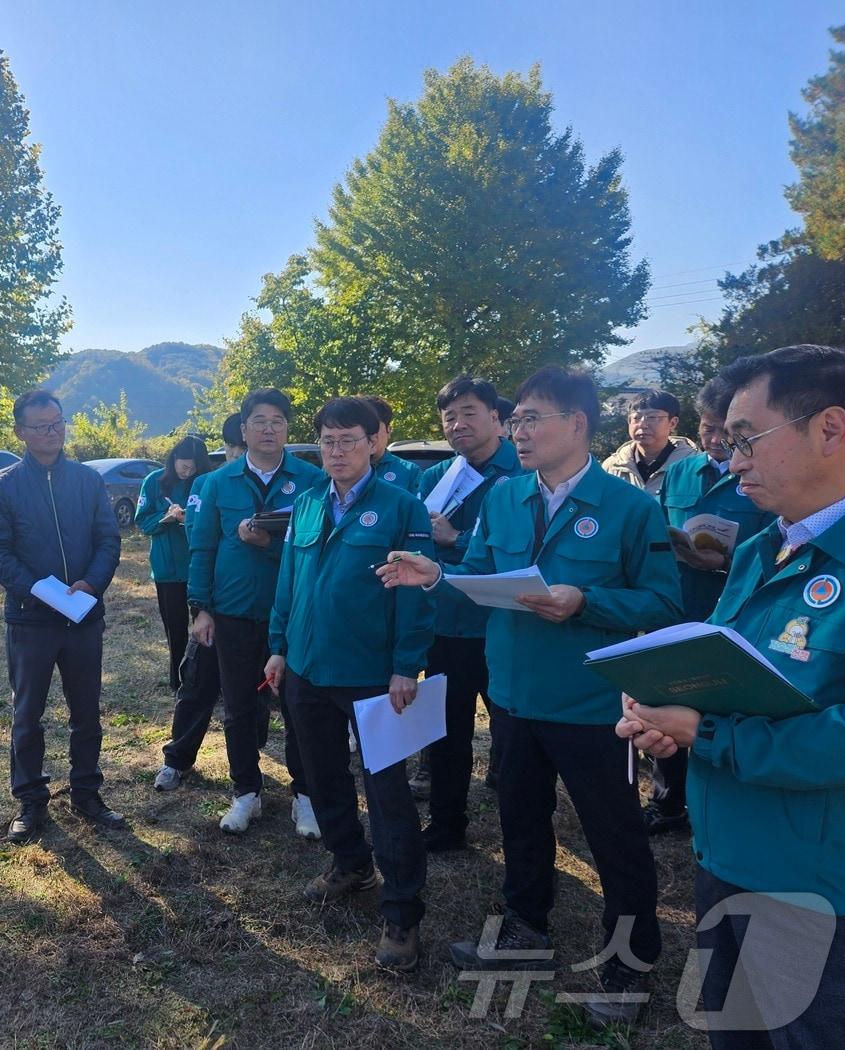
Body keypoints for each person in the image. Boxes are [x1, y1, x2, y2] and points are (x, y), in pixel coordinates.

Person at [379, 366, 682, 1028]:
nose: (517, 431)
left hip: (592, 703)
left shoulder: (628, 507)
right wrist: (436, 573)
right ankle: (525, 929)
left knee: (615, 835)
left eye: (530, 419)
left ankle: (629, 962)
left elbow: (663, 601)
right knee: (519, 817)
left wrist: (587, 601)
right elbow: (482, 574)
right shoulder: (505, 498)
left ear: (577, 424)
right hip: (512, 696)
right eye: (515, 420)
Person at [619, 344, 845, 1048]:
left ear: (831, 429)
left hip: (823, 892)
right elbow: (723, 677)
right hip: (727, 860)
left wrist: (710, 735)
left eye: (748, 438)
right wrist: (668, 715)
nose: (730, 461)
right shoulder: (761, 551)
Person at [266, 396, 436, 972]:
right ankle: (350, 862)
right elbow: (289, 582)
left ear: (373, 442)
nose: (336, 451)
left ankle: (401, 912)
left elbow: (413, 594)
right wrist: (279, 648)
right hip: (308, 670)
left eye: (348, 440)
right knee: (320, 774)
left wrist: (404, 665)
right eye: (328, 441)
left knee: (387, 794)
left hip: (371, 675)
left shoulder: (401, 507)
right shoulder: (309, 503)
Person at [0, 389, 125, 844]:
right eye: (42, 426)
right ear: (21, 432)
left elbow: (108, 540)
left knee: (87, 712)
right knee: (28, 714)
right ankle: (30, 800)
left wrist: (90, 584)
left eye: (58, 423)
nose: (52, 433)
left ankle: (87, 792)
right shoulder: (4, 486)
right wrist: (36, 590)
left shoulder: (87, 480)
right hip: (31, 619)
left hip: (82, 616)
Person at [188, 388, 324, 836]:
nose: (269, 429)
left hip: (295, 615)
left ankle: (305, 795)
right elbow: (202, 547)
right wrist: (200, 608)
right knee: (240, 706)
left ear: (288, 429)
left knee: (300, 706)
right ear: (243, 429)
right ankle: (246, 791)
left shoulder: (311, 479)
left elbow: (320, 548)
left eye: (278, 421)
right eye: (260, 421)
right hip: (233, 613)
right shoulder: (217, 482)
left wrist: (268, 545)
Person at [642, 376, 774, 836]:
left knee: (722, 707)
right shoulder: (680, 471)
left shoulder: (766, 475)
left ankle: (719, 804)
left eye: (727, 431)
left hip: (737, 611)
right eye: (708, 429)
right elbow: (656, 525)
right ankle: (668, 801)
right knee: (667, 700)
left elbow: (777, 548)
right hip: (677, 603)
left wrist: (725, 559)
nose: (717, 441)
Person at [414, 375, 521, 850]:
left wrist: (454, 540)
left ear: (497, 418)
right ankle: (446, 821)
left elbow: (522, 552)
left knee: (514, 732)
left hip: (506, 624)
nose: (458, 425)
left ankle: (522, 826)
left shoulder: (523, 472)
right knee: (447, 729)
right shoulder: (436, 477)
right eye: (449, 417)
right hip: (447, 623)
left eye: (469, 413)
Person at [154, 414, 247, 791]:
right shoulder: (209, 484)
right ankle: (177, 758)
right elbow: (199, 543)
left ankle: (250, 757)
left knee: (249, 692)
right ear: (229, 447)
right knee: (196, 682)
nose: (244, 453)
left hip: (256, 607)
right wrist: (200, 605)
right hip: (214, 602)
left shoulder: (284, 485)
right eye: (239, 446)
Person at [136, 436, 214, 691]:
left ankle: (205, 678)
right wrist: (165, 518)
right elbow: (143, 521)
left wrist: (188, 519)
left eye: (192, 468)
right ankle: (177, 679)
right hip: (167, 568)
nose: (186, 471)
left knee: (204, 626)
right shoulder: (155, 481)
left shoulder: (204, 484)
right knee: (175, 627)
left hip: (198, 567)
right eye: (183, 466)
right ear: (173, 460)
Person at [602, 388, 700, 496]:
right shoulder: (613, 466)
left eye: (652, 417)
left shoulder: (693, 466)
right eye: (636, 418)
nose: (642, 424)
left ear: (672, 423)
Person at [360, 395, 423, 492]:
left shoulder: (410, 472)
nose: (367, 434)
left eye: (373, 427)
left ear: (388, 431)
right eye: (361, 428)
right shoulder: (338, 470)